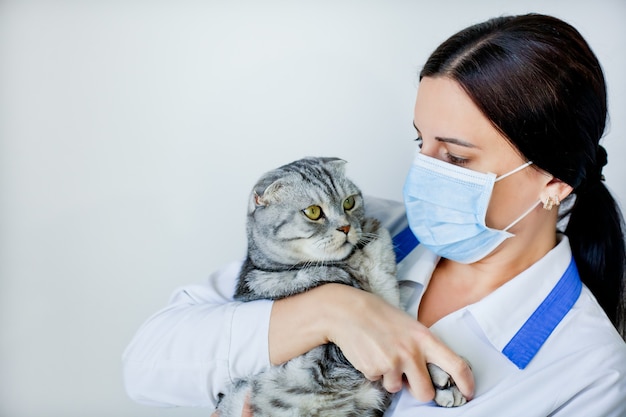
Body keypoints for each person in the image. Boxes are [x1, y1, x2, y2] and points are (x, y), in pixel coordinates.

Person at [123, 13, 626, 416]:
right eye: (419, 140)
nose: (422, 171)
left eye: (455, 157)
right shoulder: (357, 231)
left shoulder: (590, 373)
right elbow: (148, 365)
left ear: (553, 180)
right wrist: (332, 310)